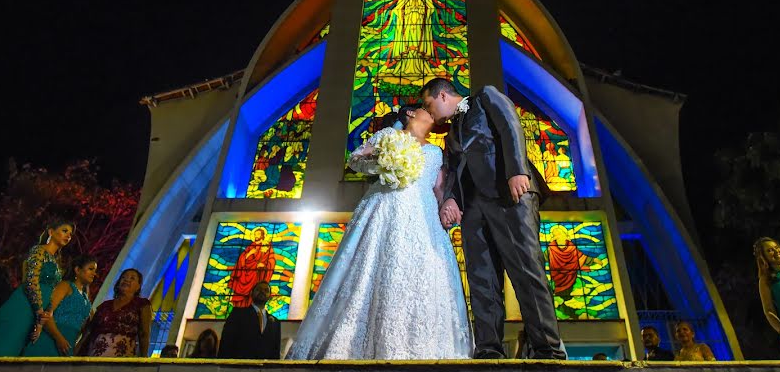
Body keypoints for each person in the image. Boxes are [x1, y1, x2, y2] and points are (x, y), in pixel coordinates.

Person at [286, 105, 471, 359]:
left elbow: (439, 188)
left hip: (421, 214)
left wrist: (447, 210)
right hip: (384, 206)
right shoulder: (388, 136)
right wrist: (384, 161)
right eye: (426, 110)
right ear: (410, 114)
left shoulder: (435, 152)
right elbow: (355, 159)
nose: (431, 114)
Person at [421, 79, 564, 360]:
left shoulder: (485, 97)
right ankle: (488, 347)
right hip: (474, 207)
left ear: (441, 95)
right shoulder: (450, 135)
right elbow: (453, 170)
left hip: (508, 193)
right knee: (481, 277)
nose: (429, 113)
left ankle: (547, 347)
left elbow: (510, 126)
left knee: (525, 268)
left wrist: (517, 170)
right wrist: (452, 199)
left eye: (428, 105)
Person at [0, 219, 73, 356]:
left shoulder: (57, 263)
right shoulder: (38, 251)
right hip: (21, 308)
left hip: (35, 314)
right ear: (51, 232)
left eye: (70, 234)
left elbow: (52, 293)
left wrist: (41, 322)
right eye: (64, 231)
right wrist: (39, 311)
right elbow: (31, 282)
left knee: (12, 357)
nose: (68, 236)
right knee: (1, 353)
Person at [23, 254, 97, 356]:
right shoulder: (65, 286)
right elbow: (47, 312)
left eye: (95, 270)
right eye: (91, 269)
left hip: (67, 346)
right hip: (50, 339)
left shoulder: (87, 300)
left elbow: (86, 327)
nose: (94, 273)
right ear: (77, 270)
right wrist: (59, 338)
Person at [80, 268, 151, 357]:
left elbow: (144, 333)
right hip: (95, 356)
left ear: (138, 287)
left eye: (132, 278)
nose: (126, 280)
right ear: (118, 284)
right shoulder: (104, 306)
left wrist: (144, 358)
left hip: (122, 359)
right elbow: (89, 332)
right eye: (123, 277)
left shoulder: (142, 304)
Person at [218, 281, 280, 359]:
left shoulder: (275, 322)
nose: (262, 292)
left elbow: (275, 350)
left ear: (270, 296)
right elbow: (226, 342)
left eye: (266, 290)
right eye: (259, 289)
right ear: (251, 293)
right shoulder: (237, 314)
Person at [227, 227, 276, 308]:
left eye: (258, 234)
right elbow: (242, 259)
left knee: (255, 294)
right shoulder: (251, 246)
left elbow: (271, 260)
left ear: (263, 235)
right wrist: (249, 253)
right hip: (245, 274)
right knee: (241, 298)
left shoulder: (267, 245)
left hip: (258, 274)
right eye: (255, 234)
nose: (256, 236)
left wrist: (264, 265)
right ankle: (240, 309)